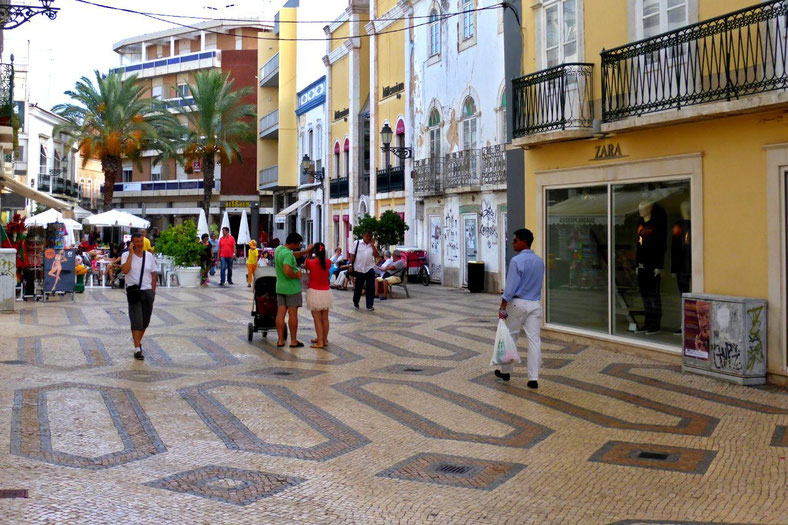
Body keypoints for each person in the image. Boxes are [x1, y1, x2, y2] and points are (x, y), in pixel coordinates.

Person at [495, 228, 544, 389]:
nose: (512, 242)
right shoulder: (539, 261)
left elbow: (510, 287)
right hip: (535, 304)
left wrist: (503, 305)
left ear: (524, 242)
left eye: (515, 240)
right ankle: (533, 378)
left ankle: (506, 372)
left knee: (511, 338)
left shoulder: (517, 261)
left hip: (517, 304)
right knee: (534, 341)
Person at [120, 232, 157, 361]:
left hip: (147, 291)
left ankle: (138, 341)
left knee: (145, 322)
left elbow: (153, 275)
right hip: (134, 291)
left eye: (141, 241)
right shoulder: (125, 255)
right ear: (132, 243)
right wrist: (130, 254)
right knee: (137, 321)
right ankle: (137, 349)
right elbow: (125, 270)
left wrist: (153, 292)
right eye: (137, 242)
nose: (139, 244)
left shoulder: (149, 256)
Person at [274, 232, 313, 348]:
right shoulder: (287, 255)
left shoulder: (279, 249)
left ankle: (280, 340)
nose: (299, 246)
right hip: (291, 288)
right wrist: (296, 275)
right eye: (298, 244)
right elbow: (287, 269)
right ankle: (293, 341)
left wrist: (305, 252)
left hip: (280, 287)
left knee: (280, 315)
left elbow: (292, 254)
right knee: (292, 314)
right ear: (293, 243)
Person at [305, 242, 333, 348]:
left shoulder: (311, 263)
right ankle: (324, 339)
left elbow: (304, 264)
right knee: (325, 318)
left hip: (314, 291)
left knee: (317, 318)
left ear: (314, 251)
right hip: (326, 291)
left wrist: (308, 252)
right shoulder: (328, 262)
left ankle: (320, 342)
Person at [349, 230, 379, 311]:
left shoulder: (371, 245)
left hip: (369, 268)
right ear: (363, 235)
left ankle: (369, 305)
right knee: (358, 288)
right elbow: (352, 255)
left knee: (370, 288)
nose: (368, 238)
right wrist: (351, 265)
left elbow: (376, 255)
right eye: (367, 236)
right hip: (359, 268)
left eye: (370, 236)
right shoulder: (357, 243)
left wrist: (373, 245)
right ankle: (356, 302)